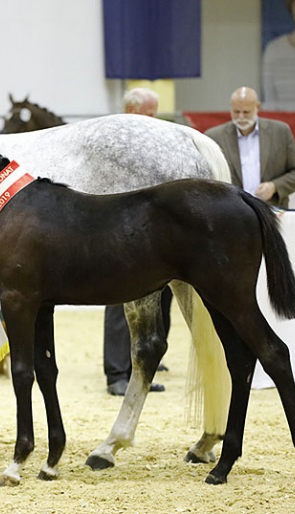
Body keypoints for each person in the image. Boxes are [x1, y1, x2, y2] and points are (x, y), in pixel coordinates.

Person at [103, 87, 171, 397]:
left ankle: (142, 371)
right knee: (120, 304)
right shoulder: (111, 142)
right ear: (132, 112)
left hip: (151, 231)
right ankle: (116, 373)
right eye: (149, 113)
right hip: (117, 230)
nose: (155, 119)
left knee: (156, 302)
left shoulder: (156, 142)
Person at [204, 86, 295, 208]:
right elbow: (206, 178)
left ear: (257, 107)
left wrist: (274, 187)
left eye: (246, 112)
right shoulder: (214, 137)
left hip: (271, 214)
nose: (241, 117)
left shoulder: (280, 132)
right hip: (232, 213)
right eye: (236, 112)